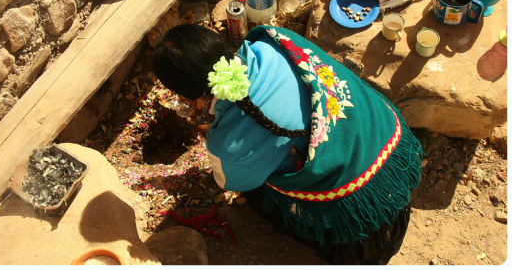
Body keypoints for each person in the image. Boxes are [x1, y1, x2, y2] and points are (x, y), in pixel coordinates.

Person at [152, 23, 424, 265]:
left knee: (261, 192)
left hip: (361, 217)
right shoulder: (271, 42)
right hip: (388, 142)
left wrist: (207, 131)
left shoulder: (226, 146)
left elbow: (229, 182)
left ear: (189, 97)